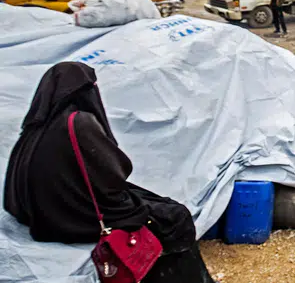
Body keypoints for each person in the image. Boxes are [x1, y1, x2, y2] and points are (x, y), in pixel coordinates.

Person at [3, 62, 214, 282]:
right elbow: (114, 174)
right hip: (72, 217)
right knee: (174, 217)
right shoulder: (78, 122)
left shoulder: (36, 126)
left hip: (43, 213)